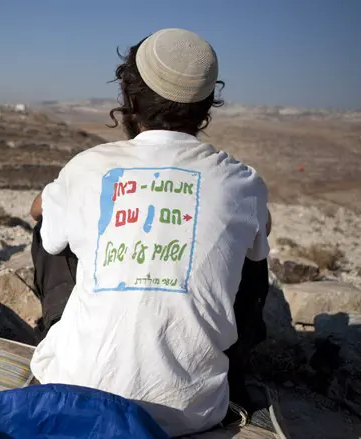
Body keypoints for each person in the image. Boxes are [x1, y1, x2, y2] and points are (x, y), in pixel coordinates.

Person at [28, 28, 275, 436]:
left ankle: (61, 331)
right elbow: (262, 229)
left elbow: (39, 213)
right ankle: (232, 368)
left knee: (50, 228)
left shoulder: (88, 165)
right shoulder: (241, 181)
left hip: (72, 390)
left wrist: (59, 198)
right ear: (205, 106)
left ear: (129, 98)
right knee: (252, 251)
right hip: (190, 413)